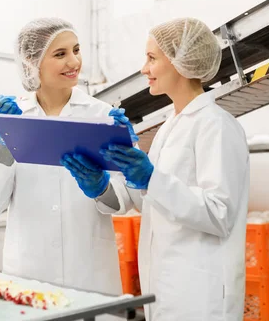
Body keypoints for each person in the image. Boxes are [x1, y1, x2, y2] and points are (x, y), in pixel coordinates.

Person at [0, 18, 137, 298]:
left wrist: (102, 188)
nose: (73, 62)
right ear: (32, 63)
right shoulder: (11, 119)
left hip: (89, 271)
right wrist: (4, 147)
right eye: (60, 54)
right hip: (30, 272)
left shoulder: (102, 116)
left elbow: (123, 202)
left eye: (76, 50)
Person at [100, 18, 250, 320]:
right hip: (167, 288)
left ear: (182, 63)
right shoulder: (171, 125)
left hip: (201, 295)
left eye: (152, 58)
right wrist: (119, 169)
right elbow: (155, 203)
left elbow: (219, 213)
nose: (144, 69)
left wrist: (151, 178)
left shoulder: (216, 126)